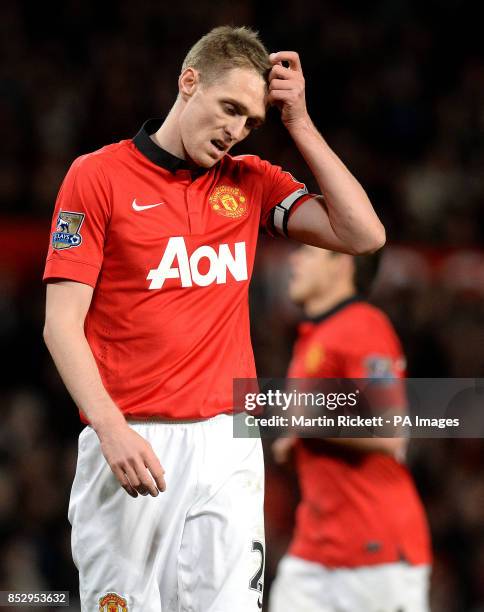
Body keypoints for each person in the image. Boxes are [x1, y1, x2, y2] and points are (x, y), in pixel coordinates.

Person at [42, 26, 385, 611]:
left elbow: (363, 233)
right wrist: (110, 426)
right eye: (230, 109)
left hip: (230, 441)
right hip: (132, 440)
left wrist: (297, 121)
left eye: (251, 122)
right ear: (188, 80)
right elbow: (60, 323)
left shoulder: (249, 182)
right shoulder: (96, 177)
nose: (235, 132)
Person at [269, 246, 432, 612]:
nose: (293, 259)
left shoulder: (363, 325)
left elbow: (391, 431)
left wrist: (308, 424)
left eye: (307, 253)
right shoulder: (316, 333)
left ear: (341, 263)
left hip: (374, 547)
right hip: (317, 543)